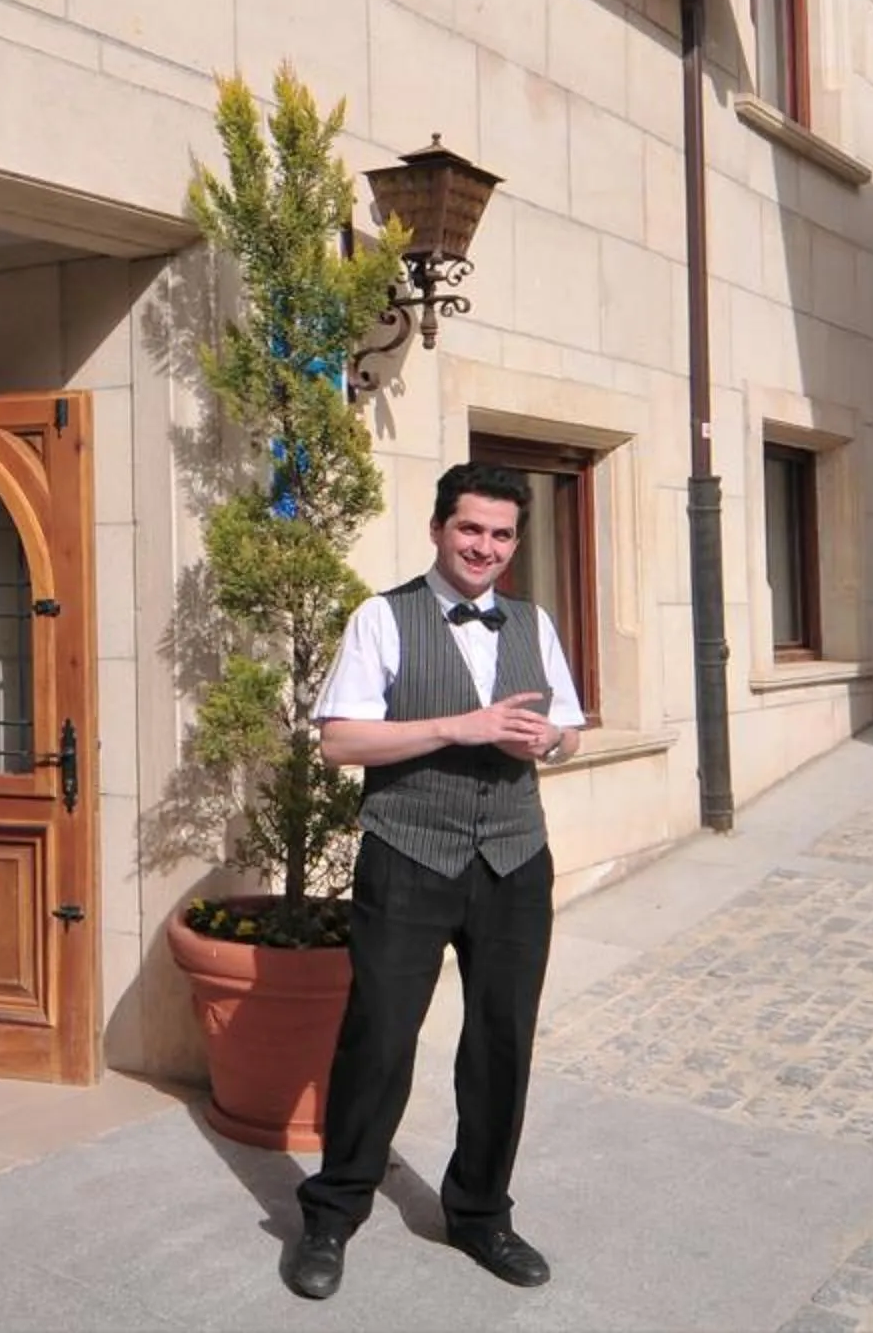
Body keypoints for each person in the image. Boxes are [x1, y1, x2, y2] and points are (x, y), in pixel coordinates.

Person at [283, 461, 585, 1303]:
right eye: (470, 529)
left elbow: (570, 731)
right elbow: (340, 742)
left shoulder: (533, 621)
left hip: (516, 859)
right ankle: (333, 1211)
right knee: (378, 1036)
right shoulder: (383, 617)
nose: (485, 546)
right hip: (409, 853)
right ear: (438, 529)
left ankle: (481, 1213)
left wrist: (546, 744)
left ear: (515, 542)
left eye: (501, 534)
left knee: (500, 1040)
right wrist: (463, 726)